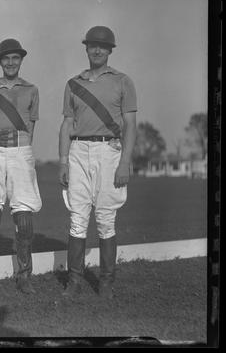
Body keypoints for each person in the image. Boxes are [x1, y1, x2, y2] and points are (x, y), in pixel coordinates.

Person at [58, 26, 137, 299]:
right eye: (93, 45)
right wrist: (63, 161)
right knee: (77, 219)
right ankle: (75, 281)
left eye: (103, 46)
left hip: (109, 152)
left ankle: (106, 283)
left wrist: (125, 163)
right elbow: (66, 124)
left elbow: (130, 125)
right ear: (86, 48)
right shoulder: (73, 83)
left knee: (106, 219)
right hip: (78, 150)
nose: (97, 50)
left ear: (110, 50)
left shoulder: (123, 81)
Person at [0, 38, 42, 294]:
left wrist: (21, 151)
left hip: (21, 151)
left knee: (23, 215)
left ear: (21, 60)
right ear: (0, 61)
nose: (11, 62)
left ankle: (24, 275)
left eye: (16, 58)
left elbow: (31, 128)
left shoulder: (32, 90)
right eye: (6, 58)